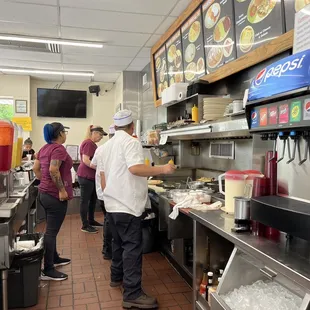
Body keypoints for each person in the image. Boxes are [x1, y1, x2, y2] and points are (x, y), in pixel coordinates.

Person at [99, 110, 176, 309]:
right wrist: (163, 169)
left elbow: (104, 175)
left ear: (115, 127)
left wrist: (110, 194)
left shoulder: (107, 146)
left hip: (112, 204)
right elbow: (135, 168)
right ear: (132, 126)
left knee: (118, 243)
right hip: (127, 205)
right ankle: (132, 294)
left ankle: (116, 277)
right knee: (132, 248)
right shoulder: (131, 142)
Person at [33, 122, 72, 281]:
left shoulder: (44, 148)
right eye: (65, 131)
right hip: (55, 196)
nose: (65, 134)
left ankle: (54, 258)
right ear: (61, 133)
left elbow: (36, 169)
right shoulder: (58, 148)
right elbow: (53, 169)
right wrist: (61, 190)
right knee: (51, 232)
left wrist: (46, 183)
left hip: (44, 194)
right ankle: (48, 269)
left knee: (51, 229)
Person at [90, 124, 115, 260]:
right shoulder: (117, 149)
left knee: (107, 219)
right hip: (111, 191)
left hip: (101, 191)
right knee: (110, 221)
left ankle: (107, 249)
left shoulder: (101, 149)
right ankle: (109, 250)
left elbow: (93, 164)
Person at [78, 125, 107, 234]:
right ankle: (85, 225)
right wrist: (99, 168)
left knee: (93, 200)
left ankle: (91, 220)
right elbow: (86, 160)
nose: (101, 137)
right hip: (86, 176)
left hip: (91, 176)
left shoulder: (92, 144)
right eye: (100, 135)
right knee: (85, 201)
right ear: (94, 133)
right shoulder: (89, 143)